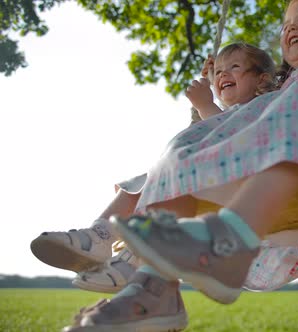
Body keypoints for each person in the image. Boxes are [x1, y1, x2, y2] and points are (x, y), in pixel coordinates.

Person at [64, 0, 298, 330]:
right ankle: (151, 284)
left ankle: (230, 236)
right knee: (183, 150)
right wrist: (211, 99)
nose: (290, 27)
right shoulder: (283, 91)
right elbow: (236, 129)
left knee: (297, 98)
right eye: (285, 24)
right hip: (274, 188)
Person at [30, 42, 277, 294]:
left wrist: (204, 105)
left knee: (165, 180)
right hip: (202, 184)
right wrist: (204, 97)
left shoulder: (266, 106)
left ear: (262, 79)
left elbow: (236, 136)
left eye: (234, 67)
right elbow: (203, 132)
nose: (223, 74)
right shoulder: (224, 111)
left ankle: (135, 259)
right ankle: (99, 236)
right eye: (220, 71)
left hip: (235, 189)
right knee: (141, 183)